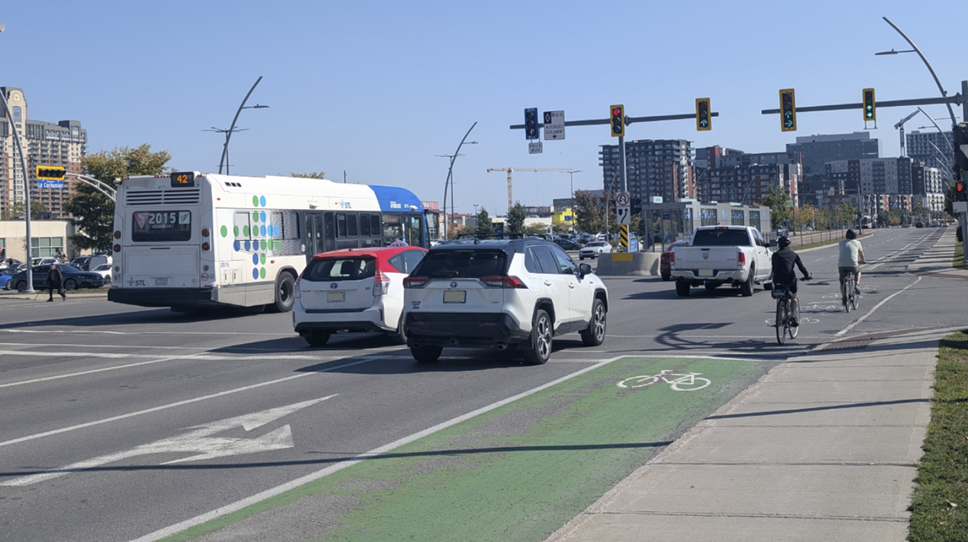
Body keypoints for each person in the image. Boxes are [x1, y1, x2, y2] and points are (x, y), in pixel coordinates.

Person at [771, 236, 811, 326]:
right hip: (790, 279)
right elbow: (801, 267)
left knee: (781, 297)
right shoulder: (793, 254)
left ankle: (779, 319)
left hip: (777, 280)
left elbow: (774, 268)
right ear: (788, 245)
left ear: (779, 245)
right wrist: (807, 276)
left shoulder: (775, 255)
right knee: (793, 297)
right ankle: (793, 315)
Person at [837, 229, 866, 302]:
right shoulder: (857, 243)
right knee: (858, 272)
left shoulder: (841, 242)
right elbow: (861, 254)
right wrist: (862, 261)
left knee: (842, 282)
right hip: (853, 263)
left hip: (842, 264)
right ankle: (857, 284)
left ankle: (844, 297)